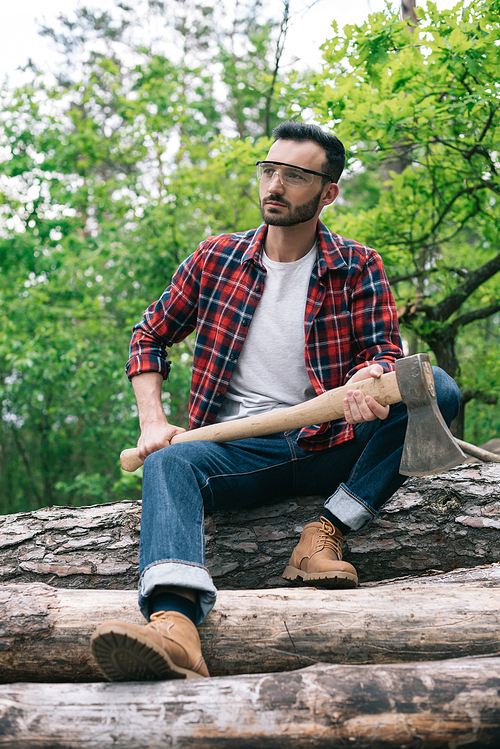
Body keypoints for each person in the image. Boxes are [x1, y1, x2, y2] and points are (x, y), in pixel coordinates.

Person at [90, 121, 461, 682]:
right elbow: (148, 337)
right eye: (269, 170)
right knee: (167, 464)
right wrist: (152, 420)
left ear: (327, 192)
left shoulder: (358, 265)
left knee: (439, 389)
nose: (275, 185)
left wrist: (373, 377)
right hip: (236, 452)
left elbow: (387, 354)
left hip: (327, 442)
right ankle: (177, 629)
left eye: (294, 175)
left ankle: (325, 532)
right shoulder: (215, 258)